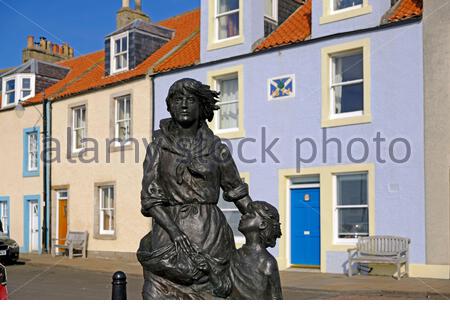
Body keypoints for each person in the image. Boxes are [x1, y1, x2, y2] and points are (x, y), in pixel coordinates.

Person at [137, 78, 252, 299]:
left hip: (210, 234)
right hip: (168, 235)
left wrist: (259, 217)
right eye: (178, 99)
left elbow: (236, 190)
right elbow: (150, 198)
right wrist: (175, 232)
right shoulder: (157, 147)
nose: (183, 104)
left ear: (202, 107)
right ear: (169, 106)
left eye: (191, 100)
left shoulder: (217, 149)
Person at [229, 201, 283, 300]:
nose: (243, 216)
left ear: (262, 224)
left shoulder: (267, 262)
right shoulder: (234, 255)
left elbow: (276, 297)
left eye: (250, 214)